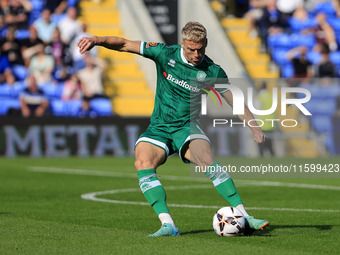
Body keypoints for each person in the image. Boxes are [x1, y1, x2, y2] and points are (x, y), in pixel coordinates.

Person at [77, 21, 269, 237]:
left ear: (205, 44)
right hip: (159, 127)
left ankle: (245, 216)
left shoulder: (212, 71)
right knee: (142, 162)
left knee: (207, 160)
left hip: (187, 127)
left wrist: (254, 127)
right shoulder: (163, 53)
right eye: (191, 49)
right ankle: (168, 225)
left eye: (200, 49)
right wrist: (96, 40)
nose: (196, 54)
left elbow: (234, 100)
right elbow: (123, 44)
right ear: (182, 44)